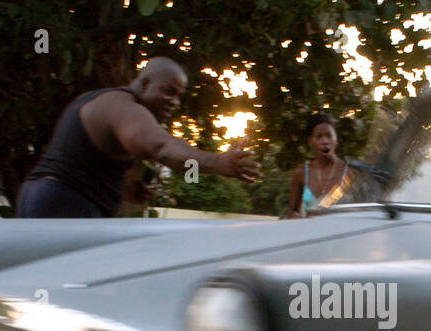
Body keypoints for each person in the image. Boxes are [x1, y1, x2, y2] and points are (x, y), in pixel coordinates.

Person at [16, 57, 261, 217]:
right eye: (168, 92)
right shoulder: (126, 108)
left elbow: (82, 163)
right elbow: (162, 146)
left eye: (178, 96)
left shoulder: (101, 98)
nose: (173, 102)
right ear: (144, 84)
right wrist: (218, 162)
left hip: (40, 196)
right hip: (63, 203)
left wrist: (125, 191)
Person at [285, 112, 349, 218]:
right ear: (310, 141)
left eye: (329, 136)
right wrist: (298, 219)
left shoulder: (350, 172)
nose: (324, 141)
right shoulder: (301, 173)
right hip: (312, 232)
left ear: (336, 139)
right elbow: (292, 211)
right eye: (318, 136)